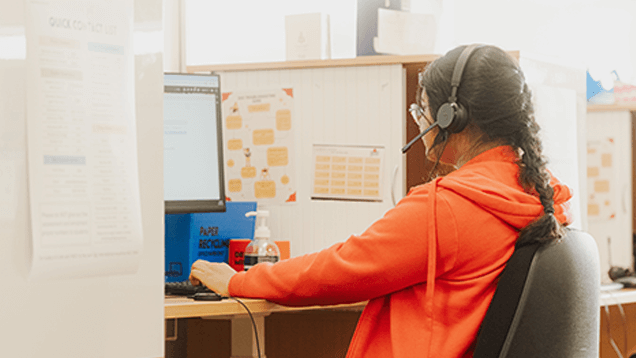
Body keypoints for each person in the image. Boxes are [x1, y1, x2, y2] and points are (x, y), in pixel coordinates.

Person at [189, 44, 573, 358]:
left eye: (421, 110)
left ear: (450, 118)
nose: (420, 122)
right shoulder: (541, 197)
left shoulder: (451, 207)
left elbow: (343, 269)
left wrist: (241, 281)